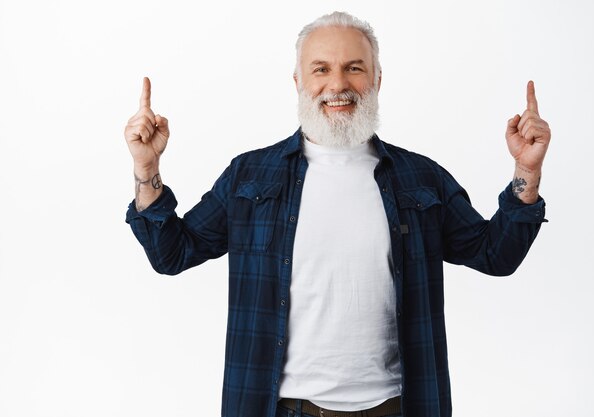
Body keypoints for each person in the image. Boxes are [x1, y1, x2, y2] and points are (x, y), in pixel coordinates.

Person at [124, 11, 550, 417]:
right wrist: (147, 170)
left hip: (397, 407)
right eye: (321, 69)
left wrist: (526, 172)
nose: (338, 84)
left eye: (354, 68)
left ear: (377, 79)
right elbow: (172, 254)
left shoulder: (421, 179)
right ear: (298, 81)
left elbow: (496, 256)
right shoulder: (250, 176)